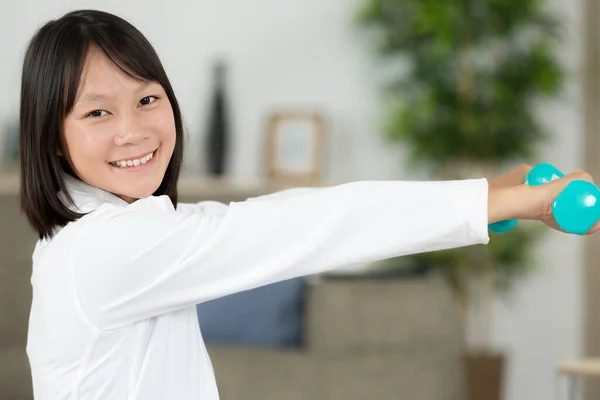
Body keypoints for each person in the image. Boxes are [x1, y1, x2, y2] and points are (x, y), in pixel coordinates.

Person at [18, 9, 597, 400]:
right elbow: (310, 224)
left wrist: (497, 192)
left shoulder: (115, 230)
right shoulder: (104, 250)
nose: (135, 130)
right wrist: (511, 200)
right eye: (98, 112)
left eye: (147, 98)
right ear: (51, 134)